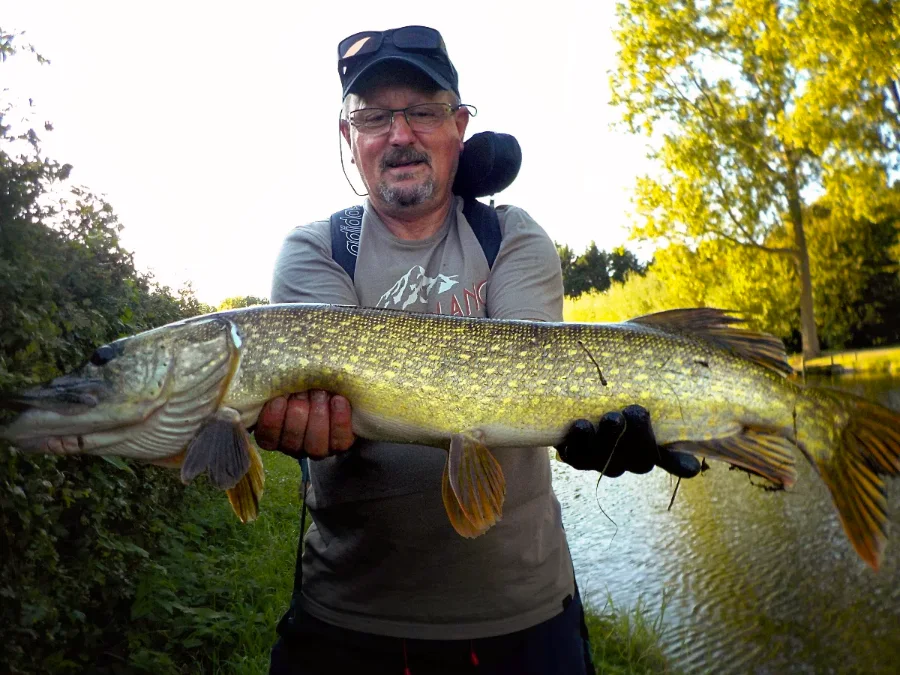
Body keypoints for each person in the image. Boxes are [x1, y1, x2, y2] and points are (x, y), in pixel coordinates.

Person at [260, 26, 699, 675]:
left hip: (526, 624)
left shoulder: (511, 235)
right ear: (348, 137)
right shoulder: (316, 250)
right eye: (375, 116)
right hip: (349, 625)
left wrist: (588, 423)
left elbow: (527, 381)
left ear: (459, 125)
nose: (400, 133)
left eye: (423, 111)